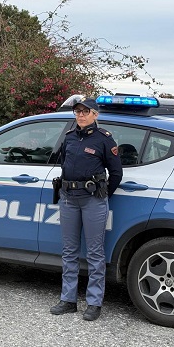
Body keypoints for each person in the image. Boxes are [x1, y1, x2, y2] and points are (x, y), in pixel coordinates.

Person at [50, 97, 123, 320]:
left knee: (94, 253)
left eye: (85, 111)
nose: (80, 115)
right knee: (69, 252)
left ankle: (94, 303)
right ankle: (68, 299)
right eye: (77, 112)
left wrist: (100, 195)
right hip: (69, 199)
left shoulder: (104, 139)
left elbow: (116, 174)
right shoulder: (70, 137)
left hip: (93, 200)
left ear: (95, 114)